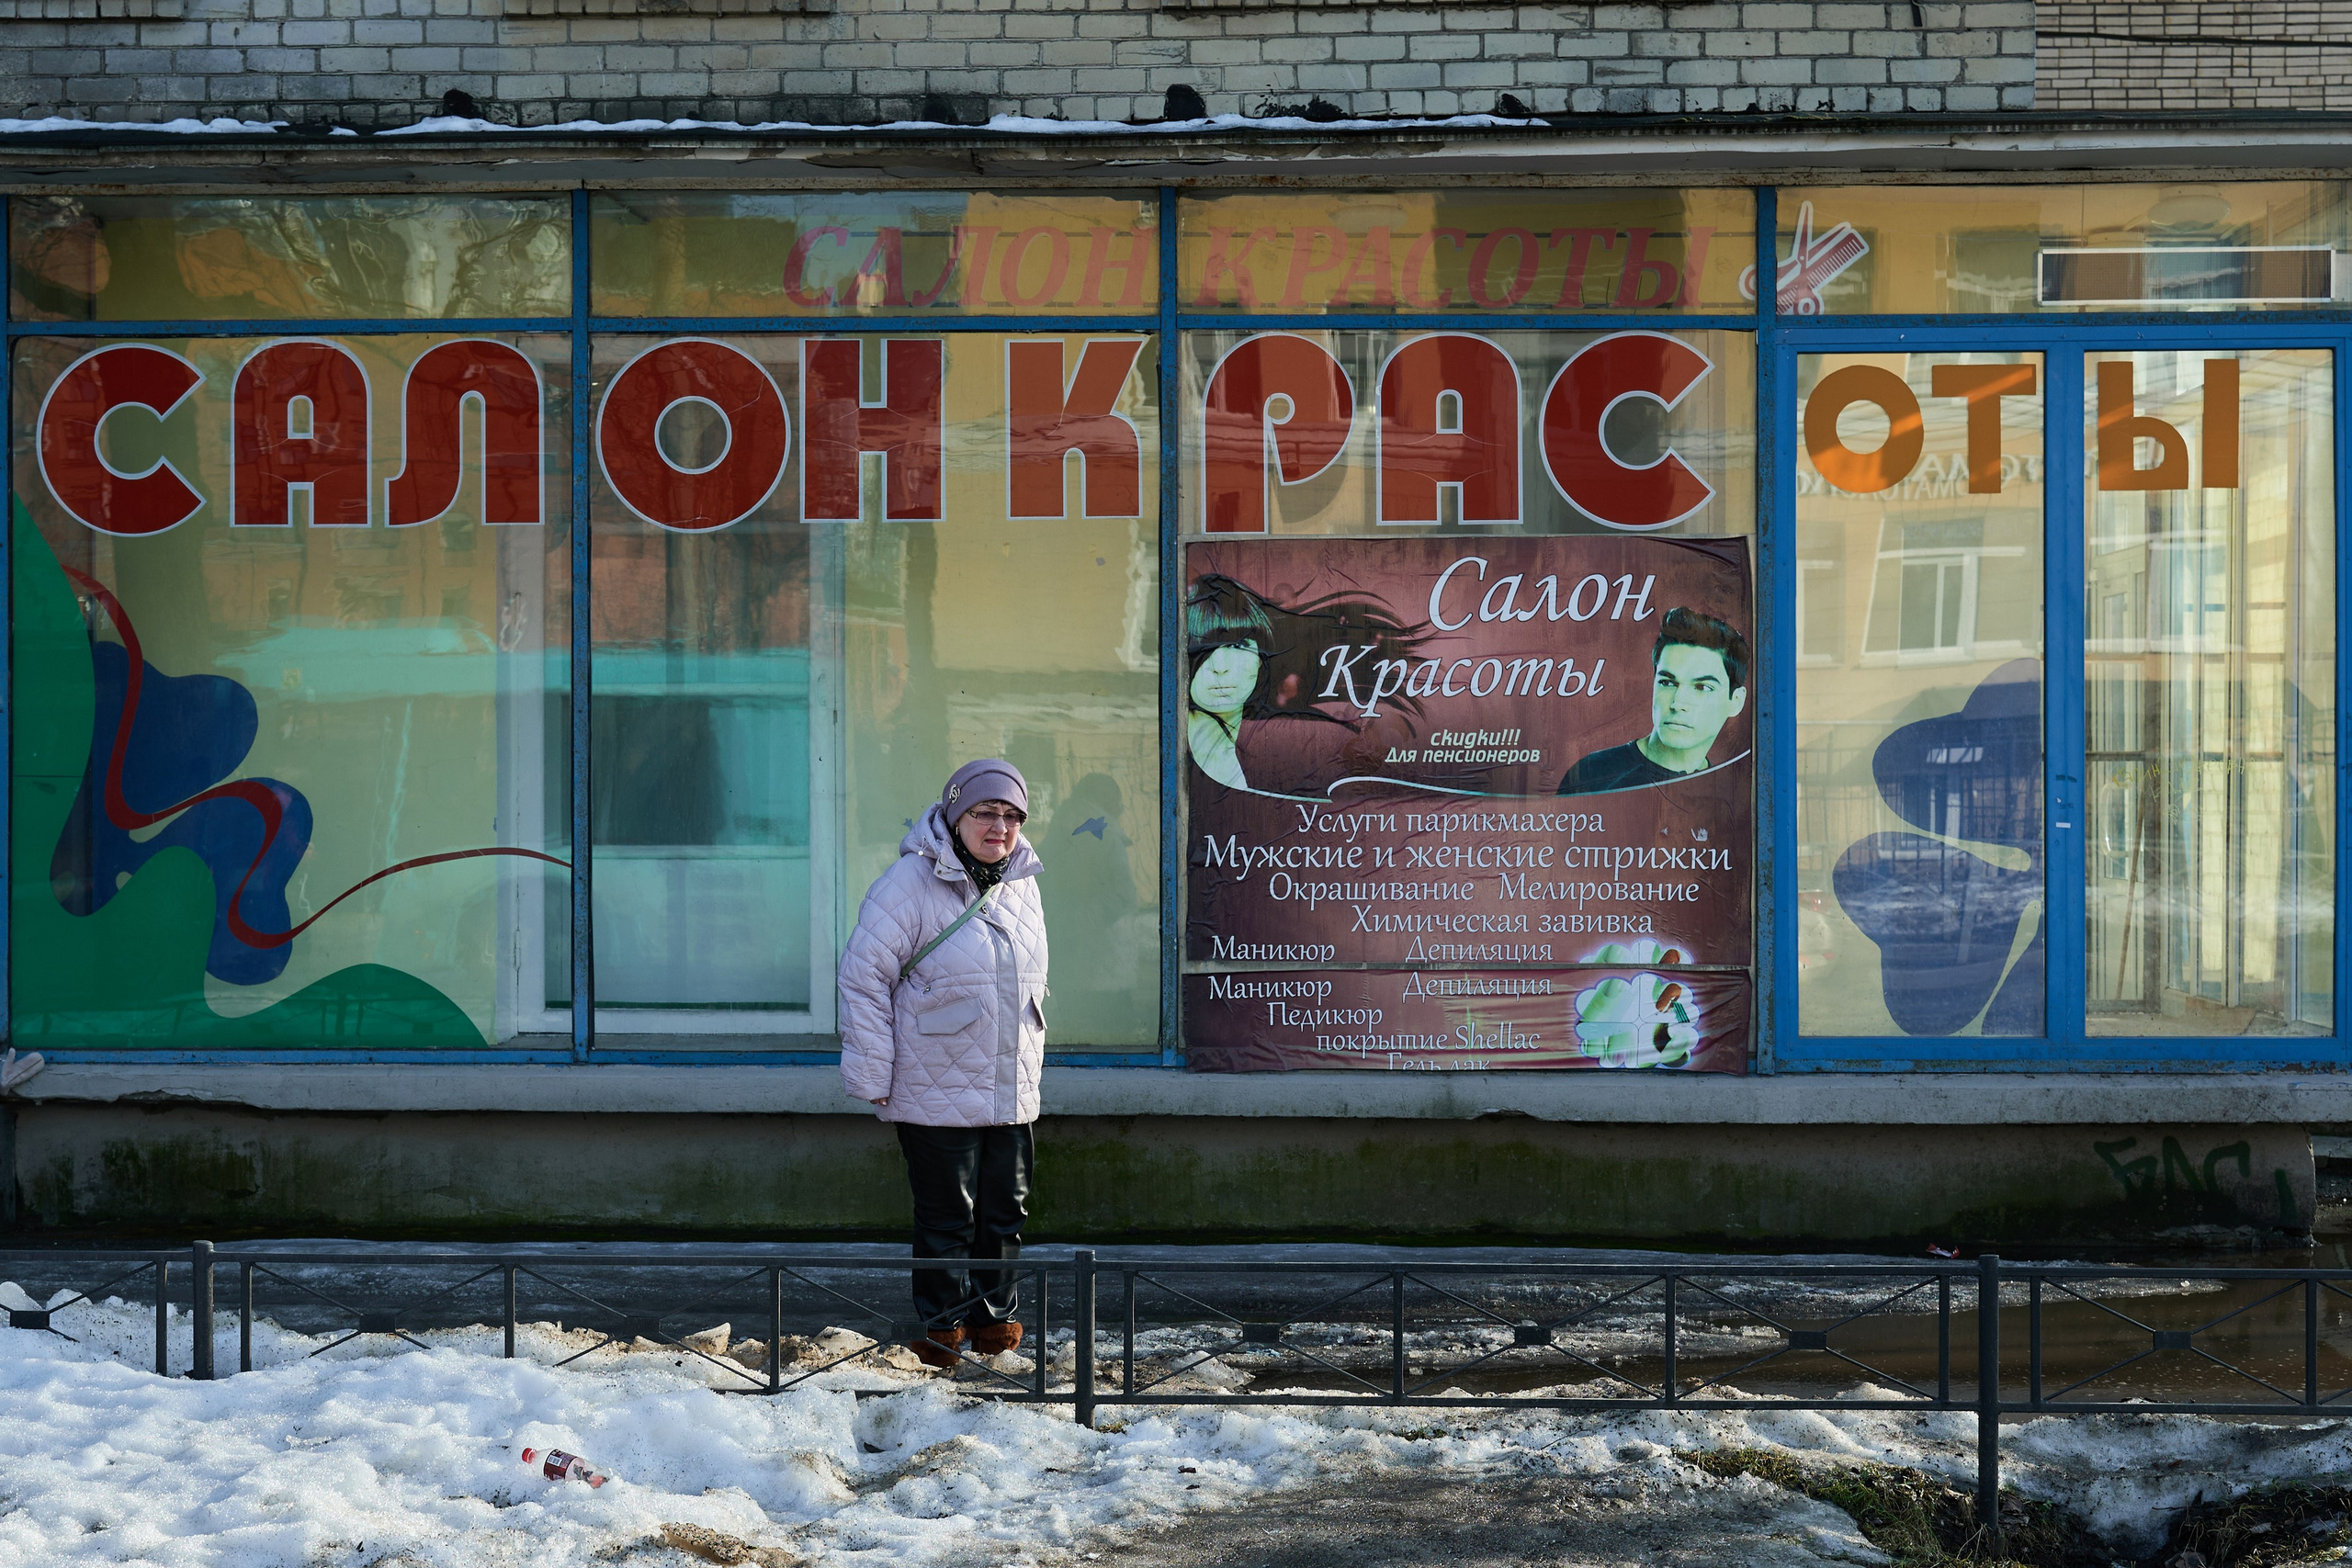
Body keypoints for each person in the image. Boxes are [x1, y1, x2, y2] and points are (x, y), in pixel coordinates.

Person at [838, 758, 1049, 1371]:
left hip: (1008, 1082)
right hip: (935, 1081)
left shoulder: (1024, 881)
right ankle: (941, 1331)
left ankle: (994, 1326)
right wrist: (873, 1073)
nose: (1000, 825)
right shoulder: (908, 883)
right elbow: (863, 979)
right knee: (947, 1215)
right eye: (986, 812)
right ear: (956, 815)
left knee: (1006, 1208)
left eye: (1011, 815)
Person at [1557, 607, 1749, 795]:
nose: (1677, 703)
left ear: (1736, 701)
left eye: (1702, 687)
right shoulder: (1591, 777)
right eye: (1667, 682)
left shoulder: (1730, 796)